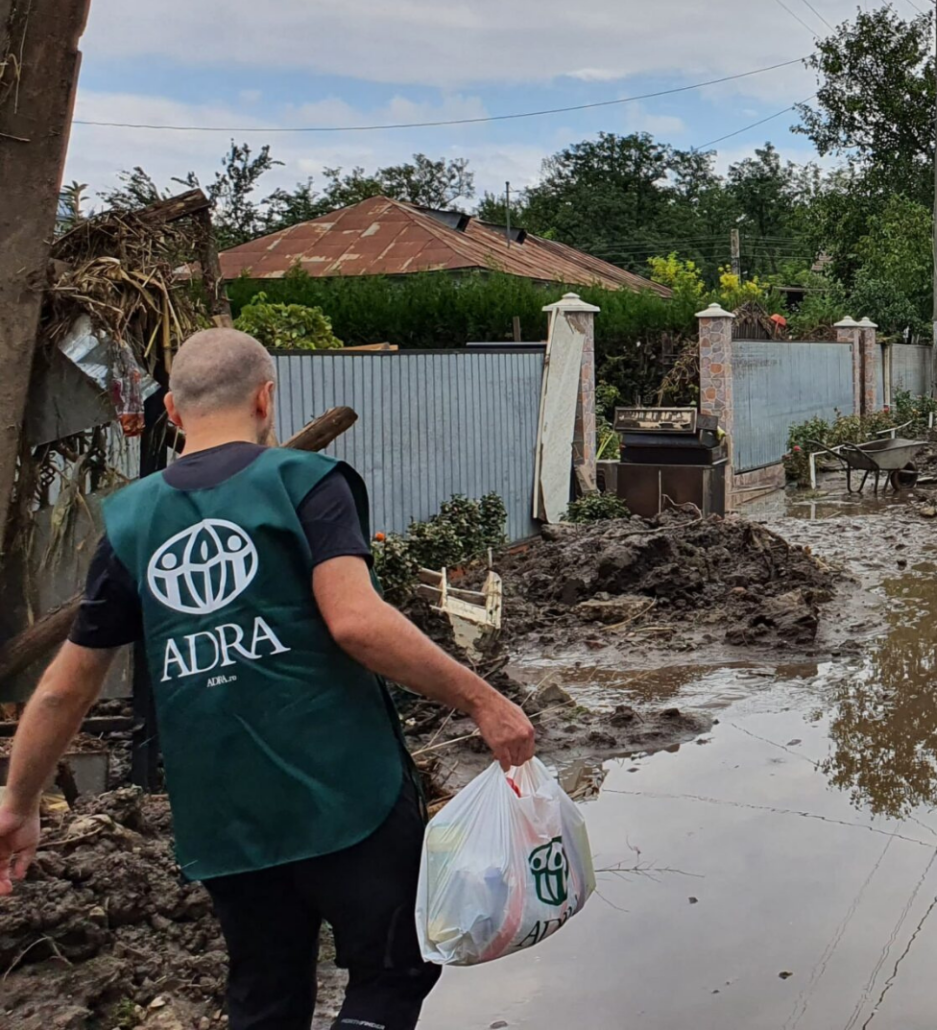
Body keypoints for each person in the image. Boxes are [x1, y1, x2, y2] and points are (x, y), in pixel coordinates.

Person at [0, 328, 537, 1030]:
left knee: (268, 993)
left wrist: (19, 799)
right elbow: (356, 622)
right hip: (347, 797)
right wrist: (484, 699)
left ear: (174, 413)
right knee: (391, 972)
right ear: (266, 397)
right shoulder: (305, 484)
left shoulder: (131, 524)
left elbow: (68, 685)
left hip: (224, 818)